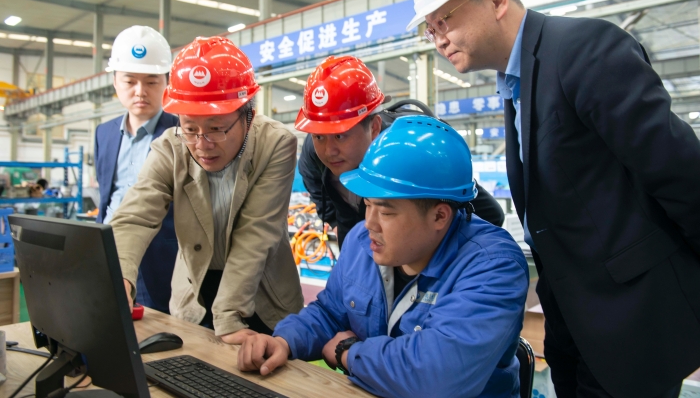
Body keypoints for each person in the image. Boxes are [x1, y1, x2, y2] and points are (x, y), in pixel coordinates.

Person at [407, 0, 700, 397]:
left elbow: (682, 175)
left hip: (633, 322)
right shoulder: (515, 83)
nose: (438, 38)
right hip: (575, 324)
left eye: (444, 19)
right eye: (430, 28)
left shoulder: (585, 51)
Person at [238, 115, 529, 398]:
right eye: (367, 205)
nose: (369, 224)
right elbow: (329, 312)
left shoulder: (494, 268)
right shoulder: (361, 242)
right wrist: (284, 341)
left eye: (386, 212)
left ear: (440, 216)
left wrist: (348, 352)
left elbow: (437, 378)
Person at [110, 36, 304, 343]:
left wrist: (227, 317)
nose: (202, 144)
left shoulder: (275, 143)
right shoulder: (170, 148)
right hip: (194, 291)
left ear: (248, 116)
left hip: (262, 291)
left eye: (216, 129)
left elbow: (256, 232)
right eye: (190, 129)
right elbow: (135, 216)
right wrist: (118, 277)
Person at [296, 55, 505, 248]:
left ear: (374, 127)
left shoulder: (414, 151)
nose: (329, 150)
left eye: (340, 136)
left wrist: (439, 260)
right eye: (319, 136)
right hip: (354, 232)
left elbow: (489, 214)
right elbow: (317, 190)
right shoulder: (314, 154)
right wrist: (336, 226)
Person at [95, 25, 179, 314]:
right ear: (115, 82)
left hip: (162, 258)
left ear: (167, 82)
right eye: (129, 81)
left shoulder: (184, 132)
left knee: (160, 329)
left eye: (152, 82)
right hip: (108, 251)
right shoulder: (104, 133)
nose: (140, 91)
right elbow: (107, 195)